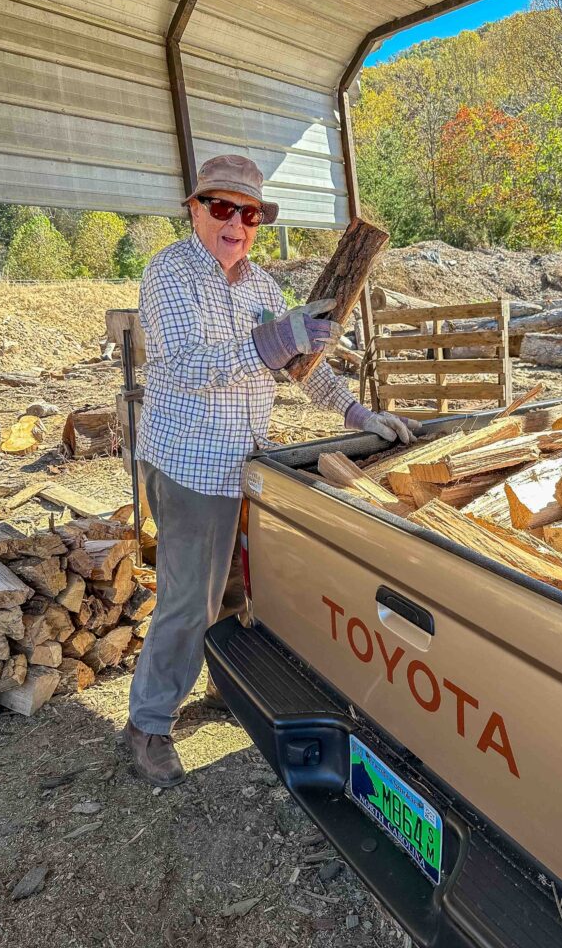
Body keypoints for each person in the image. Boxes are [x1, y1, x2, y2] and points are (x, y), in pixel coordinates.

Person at [124, 154, 420, 787]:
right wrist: (272, 341)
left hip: (245, 462)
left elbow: (297, 361)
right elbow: (184, 366)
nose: (236, 223)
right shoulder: (170, 274)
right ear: (196, 210)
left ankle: (225, 683)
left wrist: (354, 410)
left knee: (234, 586)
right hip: (189, 463)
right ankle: (148, 723)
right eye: (223, 208)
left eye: (249, 213)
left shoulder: (260, 287)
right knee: (187, 599)